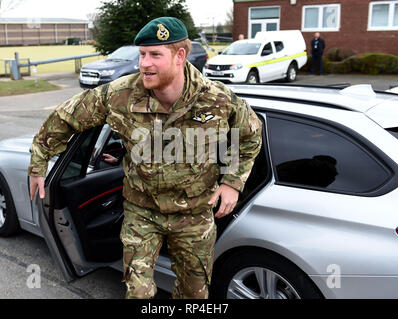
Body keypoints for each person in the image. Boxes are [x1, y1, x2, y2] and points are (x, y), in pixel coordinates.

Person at [28, 17, 262, 299]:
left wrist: (233, 182)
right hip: (142, 213)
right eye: (141, 54)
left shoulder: (218, 100)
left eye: (154, 55)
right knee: (137, 293)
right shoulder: (120, 95)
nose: (144, 63)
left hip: (194, 216)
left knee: (194, 294)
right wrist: (38, 165)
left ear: (180, 56)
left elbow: (249, 134)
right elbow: (64, 118)